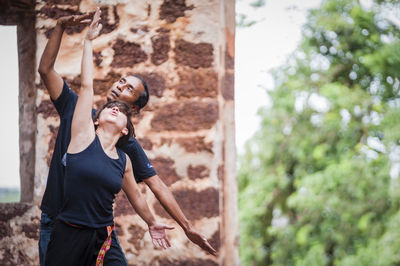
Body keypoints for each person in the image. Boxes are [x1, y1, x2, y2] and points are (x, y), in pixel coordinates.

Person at [38, 8, 217, 266]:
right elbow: (45, 69)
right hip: (57, 220)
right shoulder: (75, 109)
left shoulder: (125, 145)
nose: (120, 86)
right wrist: (60, 27)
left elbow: (154, 186)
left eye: (129, 89)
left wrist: (186, 227)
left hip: (98, 229)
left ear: (133, 110)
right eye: (122, 81)